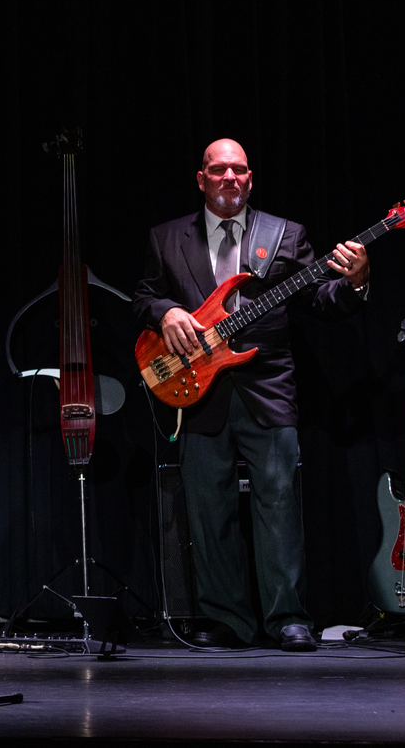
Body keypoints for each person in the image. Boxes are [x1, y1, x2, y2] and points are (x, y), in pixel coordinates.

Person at [133, 138, 369, 652]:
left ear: (251, 177)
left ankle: (288, 618)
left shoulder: (284, 234)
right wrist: (166, 312)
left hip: (268, 387)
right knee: (207, 508)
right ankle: (227, 621)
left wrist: (354, 283)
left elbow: (320, 299)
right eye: (219, 170)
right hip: (196, 387)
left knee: (279, 503)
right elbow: (144, 297)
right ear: (201, 179)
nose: (230, 178)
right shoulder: (166, 237)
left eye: (238, 170)